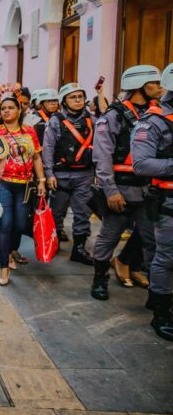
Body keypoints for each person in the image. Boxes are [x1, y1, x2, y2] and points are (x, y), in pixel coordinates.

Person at [91, 66, 161, 300]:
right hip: (121, 189)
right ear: (140, 86)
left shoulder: (157, 114)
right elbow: (102, 156)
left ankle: (156, 292)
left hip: (149, 191)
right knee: (108, 237)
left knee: (152, 241)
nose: (160, 88)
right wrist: (110, 191)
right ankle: (100, 279)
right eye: (155, 83)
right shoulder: (113, 116)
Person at [130, 62, 173, 341]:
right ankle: (161, 312)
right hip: (167, 201)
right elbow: (141, 164)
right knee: (167, 257)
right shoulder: (153, 121)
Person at [0, 92, 46, 285]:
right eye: (3, 108)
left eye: (10, 107)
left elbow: (37, 157)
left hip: (25, 185)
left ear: (19, 109)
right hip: (2, 183)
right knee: (5, 223)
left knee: (21, 224)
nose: (6, 111)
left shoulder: (29, 131)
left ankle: (12, 249)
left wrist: (42, 180)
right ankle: (4, 266)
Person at [42, 83, 95, 263]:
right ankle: (53, 241)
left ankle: (78, 249)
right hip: (61, 176)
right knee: (57, 213)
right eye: (73, 97)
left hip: (85, 175)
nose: (78, 100)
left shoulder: (92, 120)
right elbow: (48, 149)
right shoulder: (55, 121)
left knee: (83, 213)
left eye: (81, 96)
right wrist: (49, 174)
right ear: (64, 101)